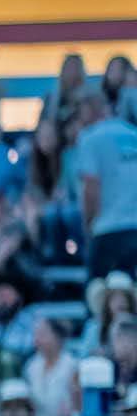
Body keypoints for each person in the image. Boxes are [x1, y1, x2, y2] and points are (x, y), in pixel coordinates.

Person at [74, 87, 137, 279]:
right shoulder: (133, 134)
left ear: (88, 109)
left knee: (97, 296)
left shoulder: (89, 138)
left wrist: (87, 224)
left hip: (107, 229)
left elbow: (91, 186)